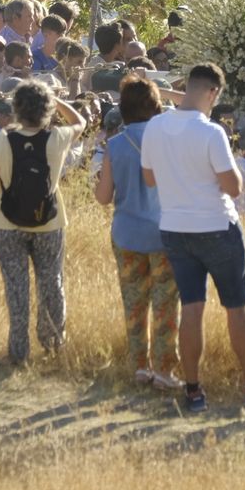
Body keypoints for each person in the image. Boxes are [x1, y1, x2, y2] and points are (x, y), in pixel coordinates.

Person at [141, 63, 245, 413]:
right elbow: (234, 187)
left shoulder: (155, 127)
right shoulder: (212, 132)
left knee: (192, 309)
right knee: (237, 308)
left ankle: (194, 390)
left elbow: (150, 179)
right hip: (216, 226)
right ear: (213, 92)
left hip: (175, 228)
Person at [0, 81, 86, 366]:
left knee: (16, 287)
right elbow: (81, 121)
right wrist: (58, 99)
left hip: (7, 222)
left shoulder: (4, 138)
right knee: (51, 281)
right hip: (49, 223)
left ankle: (18, 350)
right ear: (47, 110)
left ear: (16, 109)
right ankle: (52, 343)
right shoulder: (58, 138)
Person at [94, 74, 181, 391]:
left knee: (134, 304)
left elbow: (104, 198)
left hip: (127, 234)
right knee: (166, 305)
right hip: (165, 233)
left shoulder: (114, 145)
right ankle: (165, 369)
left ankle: (140, 367)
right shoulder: (168, 138)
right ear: (155, 107)